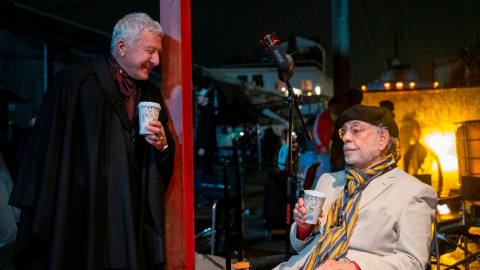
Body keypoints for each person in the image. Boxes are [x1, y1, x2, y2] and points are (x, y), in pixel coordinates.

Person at [9, 12, 175, 270]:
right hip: (80, 208)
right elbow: (47, 150)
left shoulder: (149, 92)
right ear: (122, 46)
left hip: (130, 210)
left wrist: (163, 144)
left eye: (158, 53)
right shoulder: (74, 81)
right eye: (150, 51)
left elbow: (163, 153)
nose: (156, 60)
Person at [274, 105, 437, 270]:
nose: (345, 137)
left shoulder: (413, 192)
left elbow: (413, 262)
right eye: (344, 131)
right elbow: (298, 246)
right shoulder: (328, 180)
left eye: (355, 130)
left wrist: (354, 268)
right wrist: (303, 227)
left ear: (382, 138)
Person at [330, 89, 363, 172]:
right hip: (359, 156)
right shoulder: (365, 117)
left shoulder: (344, 116)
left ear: (347, 99)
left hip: (343, 155)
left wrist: (336, 155)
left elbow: (336, 138)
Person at [196, 88, 217, 175]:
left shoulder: (208, 111)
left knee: (207, 168)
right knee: (206, 168)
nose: (198, 98)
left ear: (206, 98)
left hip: (207, 146)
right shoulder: (205, 110)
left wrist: (203, 146)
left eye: (201, 96)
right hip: (206, 145)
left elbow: (208, 129)